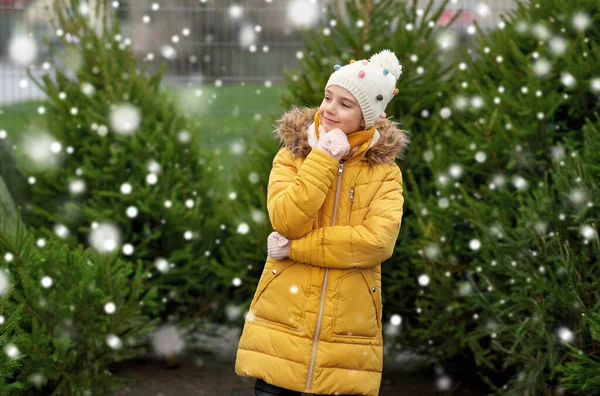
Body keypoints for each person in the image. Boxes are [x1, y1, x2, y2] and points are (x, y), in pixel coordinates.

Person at [235, 49, 410, 396]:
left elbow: (376, 242)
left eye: (346, 104)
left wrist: (295, 249)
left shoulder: (385, 173)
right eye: (328, 97)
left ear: (369, 116)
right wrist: (323, 158)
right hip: (283, 318)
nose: (329, 108)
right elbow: (286, 219)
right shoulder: (293, 154)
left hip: (347, 328)